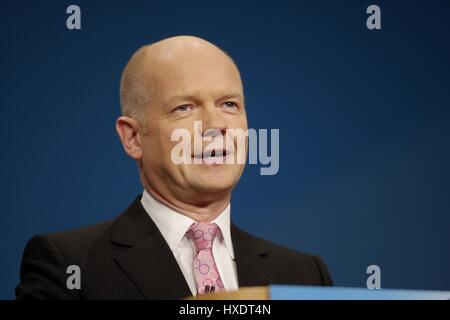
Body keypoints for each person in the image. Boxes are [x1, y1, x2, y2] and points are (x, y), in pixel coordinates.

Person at [15, 36, 332, 300]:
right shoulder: (69, 264)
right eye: (184, 108)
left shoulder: (304, 276)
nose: (215, 125)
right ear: (133, 137)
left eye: (229, 105)